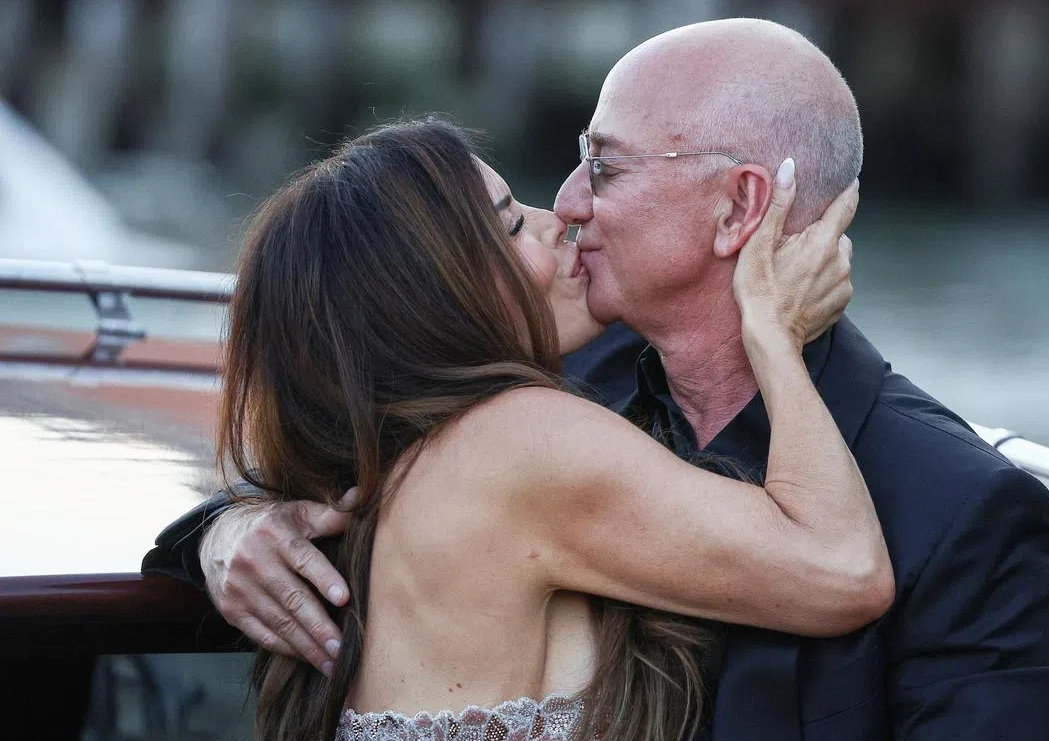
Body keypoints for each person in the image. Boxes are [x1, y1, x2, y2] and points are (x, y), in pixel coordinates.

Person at [146, 18, 1049, 740]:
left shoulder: (960, 505)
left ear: (739, 208)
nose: (568, 204)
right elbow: (351, 422)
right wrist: (229, 530)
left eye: (604, 164)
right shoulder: (545, 400)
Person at [185, 115, 888, 741]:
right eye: (514, 225)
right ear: (438, 296)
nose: (558, 218)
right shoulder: (518, 441)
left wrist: (232, 522)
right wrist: (773, 331)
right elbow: (844, 571)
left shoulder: (395, 456)